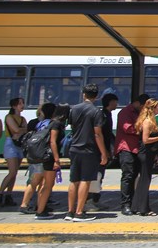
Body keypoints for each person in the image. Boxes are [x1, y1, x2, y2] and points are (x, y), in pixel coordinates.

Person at [65, 83, 109, 222]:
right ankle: (79, 212)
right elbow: (97, 134)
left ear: (84, 94)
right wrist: (103, 153)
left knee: (74, 180)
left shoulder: (74, 109)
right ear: (97, 96)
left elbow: (73, 127)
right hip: (89, 149)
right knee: (85, 180)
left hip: (74, 148)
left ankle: (70, 211)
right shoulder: (96, 112)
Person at [131, 98, 158, 216]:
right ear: (152, 108)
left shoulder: (152, 120)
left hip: (150, 153)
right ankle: (144, 208)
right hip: (145, 153)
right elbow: (145, 140)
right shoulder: (147, 122)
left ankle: (136, 206)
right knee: (145, 180)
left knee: (143, 180)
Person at [115, 93, 149, 215]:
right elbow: (128, 128)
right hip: (127, 148)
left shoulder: (141, 113)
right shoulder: (125, 112)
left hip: (137, 149)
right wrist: (144, 129)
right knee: (128, 176)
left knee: (135, 176)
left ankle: (134, 203)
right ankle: (125, 204)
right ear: (139, 104)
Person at [19, 103, 55, 214]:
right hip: (44, 155)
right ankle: (36, 205)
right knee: (42, 182)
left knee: (34, 181)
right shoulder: (51, 124)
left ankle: (27, 204)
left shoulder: (38, 123)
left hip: (34, 154)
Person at [35, 103, 68, 220]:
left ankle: (40, 207)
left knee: (45, 184)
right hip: (50, 157)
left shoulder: (51, 123)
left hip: (47, 156)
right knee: (48, 185)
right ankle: (40, 211)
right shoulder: (56, 124)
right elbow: (53, 142)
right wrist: (56, 159)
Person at [87, 92, 117, 211]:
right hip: (99, 151)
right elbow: (100, 134)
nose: (117, 104)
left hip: (103, 149)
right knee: (96, 176)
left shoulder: (106, 114)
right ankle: (89, 201)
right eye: (115, 102)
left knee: (100, 176)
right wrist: (104, 151)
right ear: (111, 102)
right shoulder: (102, 115)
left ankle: (95, 200)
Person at [0, 97, 27, 207]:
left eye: (22, 103)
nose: (22, 105)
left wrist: (20, 131)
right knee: (12, 172)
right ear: (14, 106)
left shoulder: (22, 118)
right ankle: (0, 193)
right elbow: (16, 130)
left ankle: (9, 194)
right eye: (19, 104)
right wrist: (21, 130)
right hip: (11, 144)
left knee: (15, 172)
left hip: (19, 145)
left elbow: (24, 130)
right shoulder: (9, 117)